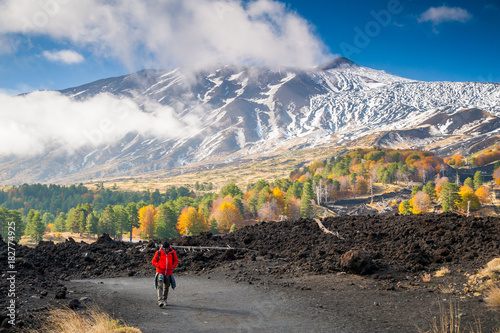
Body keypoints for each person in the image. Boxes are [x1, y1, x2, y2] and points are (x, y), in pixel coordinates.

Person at [151, 241, 178, 307]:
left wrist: (172, 266)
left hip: (168, 272)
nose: (166, 250)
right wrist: (159, 265)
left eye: (167, 249)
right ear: (162, 248)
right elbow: (153, 261)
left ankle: (164, 299)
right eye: (165, 249)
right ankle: (160, 301)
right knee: (160, 286)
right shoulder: (158, 252)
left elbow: (176, 260)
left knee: (166, 286)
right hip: (160, 272)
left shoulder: (172, 253)